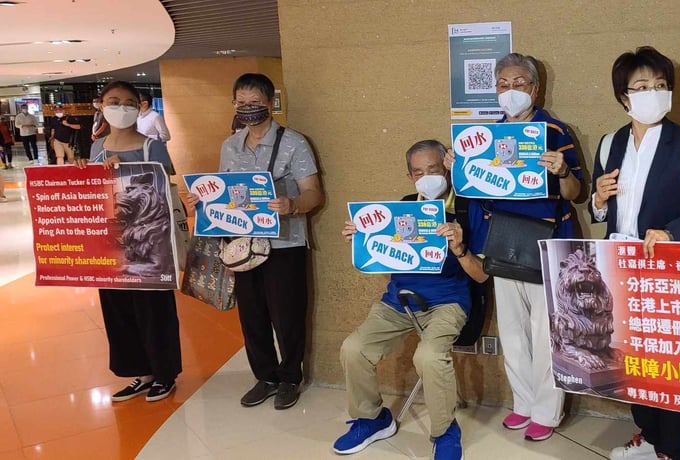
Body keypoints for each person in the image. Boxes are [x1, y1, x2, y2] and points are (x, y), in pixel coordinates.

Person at [590, 46, 680, 460]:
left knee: (668, 363)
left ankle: (671, 449)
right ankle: (649, 438)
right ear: (624, 97)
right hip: (622, 269)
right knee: (631, 360)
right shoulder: (610, 144)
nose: (652, 93)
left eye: (660, 86)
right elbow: (602, 209)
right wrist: (598, 201)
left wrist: (674, 232)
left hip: (671, 274)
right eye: (641, 87)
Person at [446, 52, 584, 442]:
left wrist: (561, 171)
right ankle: (522, 403)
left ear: (535, 88)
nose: (510, 91)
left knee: (546, 332)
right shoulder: (484, 137)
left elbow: (577, 192)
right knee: (513, 331)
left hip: (547, 240)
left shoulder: (555, 130)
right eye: (502, 84)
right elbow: (469, 192)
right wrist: (458, 166)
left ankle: (546, 409)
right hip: (502, 240)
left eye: (518, 83)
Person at [334, 140, 487, 460]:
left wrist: (459, 248)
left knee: (429, 356)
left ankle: (445, 430)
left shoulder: (468, 207)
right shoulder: (402, 207)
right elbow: (384, 256)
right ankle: (372, 419)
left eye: (433, 169)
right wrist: (361, 239)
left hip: (448, 302)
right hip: (398, 301)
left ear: (447, 167)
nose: (426, 177)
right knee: (353, 348)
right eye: (418, 172)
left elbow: (482, 276)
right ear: (409, 177)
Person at [186, 73, 323, 410]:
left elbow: (314, 193)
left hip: (283, 244)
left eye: (255, 103)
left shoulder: (293, 143)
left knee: (287, 315)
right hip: (242, 244)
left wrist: (292, 205)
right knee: (252, 316)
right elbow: (224, 194)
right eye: (242, 103)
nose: (248, 109)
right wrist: (200, 201)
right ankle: (265, 376)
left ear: (270, 104)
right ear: (234, 103)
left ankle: (290, 377)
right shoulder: (229, 145)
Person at [74, 81, 182, 403]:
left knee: (153, 310)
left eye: (128, 102)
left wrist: (130, 172)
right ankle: (142, 373)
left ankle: (164, 373)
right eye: (113, 101)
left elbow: (163, 188)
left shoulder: (152, 146)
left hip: (149, 245)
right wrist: (85, 173)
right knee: (119, 311)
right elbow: (92, 195)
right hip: (111, 246)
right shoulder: (97, 148)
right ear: (101, 105)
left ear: (139, 107)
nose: (120, 108)